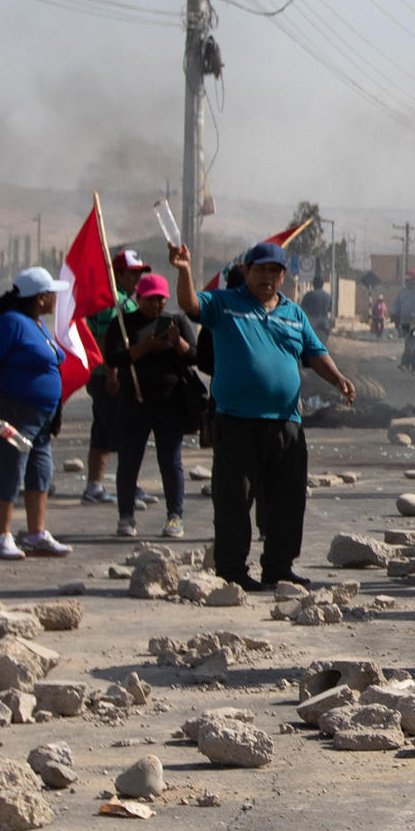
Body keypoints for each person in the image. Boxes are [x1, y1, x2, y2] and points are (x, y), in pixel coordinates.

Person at [169, 241, 355, 590]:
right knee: (234, 499)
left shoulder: (294, 314)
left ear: (283, 276)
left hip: (286, 422)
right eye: (260, 269)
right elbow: (190, 304)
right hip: (236, 420)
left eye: (275, 271)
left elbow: (315, 352)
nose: (267, 276)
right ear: (247, 270)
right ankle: (232, 570)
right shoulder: (225, 304)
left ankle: (279, 567)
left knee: (288, 499)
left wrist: (338, 379)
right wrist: (184, 270)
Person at [0, 267, 74, 559]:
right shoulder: (12, 322)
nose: (56, 298)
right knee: (11, 471)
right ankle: (0, 538)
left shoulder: (36, 323)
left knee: (40, 472)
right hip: (16, 412)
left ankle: (36, 534)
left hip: (42, 418)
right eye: (51, 293)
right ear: (40, 297)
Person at [102, 272, 198, 540]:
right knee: (129, 460)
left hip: (170, 404)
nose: (155, 305)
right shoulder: (124, 324)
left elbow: (194, 356)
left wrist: (177, 342)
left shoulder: (175, 321)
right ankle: (126, 516)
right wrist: (147, 347)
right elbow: (113, 357)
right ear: (139, 298)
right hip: (134, 402)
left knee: (171, 461)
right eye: (149, 300)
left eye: (160, 300)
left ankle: (175, 515)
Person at [81, 249, 152, 506]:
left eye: (140, 274)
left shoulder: (126, 300)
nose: (137, 279)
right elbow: (105, 340)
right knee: (125, 433)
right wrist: (112, 372)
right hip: (109, 377)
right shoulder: (111, 302)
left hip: (114, 375)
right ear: (117, 274)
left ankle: (94, 486)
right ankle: (128, 487)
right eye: (132, 274)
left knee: (103, 432)